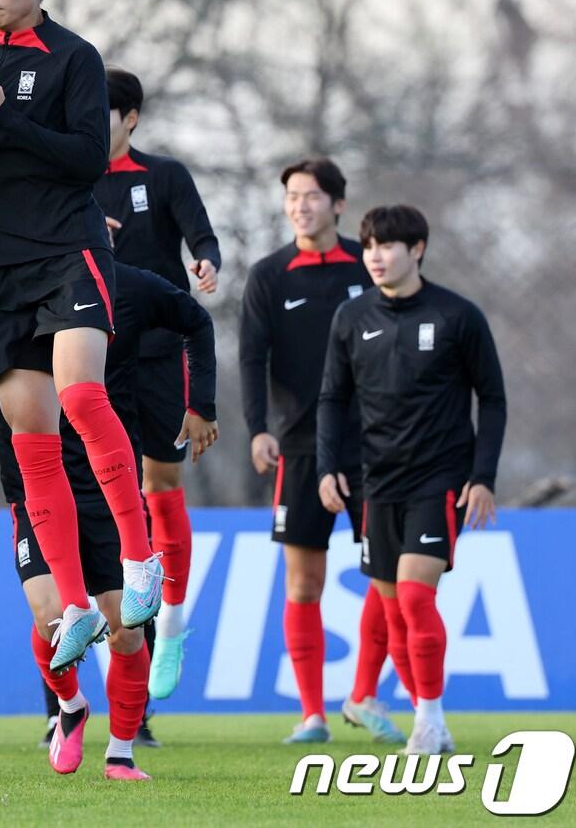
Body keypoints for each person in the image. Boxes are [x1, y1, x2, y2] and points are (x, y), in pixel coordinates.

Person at [0, 0, 160, 671]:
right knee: (32, 444)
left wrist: (8, 111)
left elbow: (84, 160)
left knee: (83, 399)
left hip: (68, 250)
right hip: (0, 270)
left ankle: (139, 559)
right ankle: (70, 606)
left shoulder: (75, 59)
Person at [0, 259, 218, 780]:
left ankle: (120, 752)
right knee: (51, 620)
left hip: (105, 487)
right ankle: (69, 707)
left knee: (127, 631)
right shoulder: (9, 302)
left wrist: (201, 404)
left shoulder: (130, 287)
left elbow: (197, 320)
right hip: (33, 489)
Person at [318, 204, 506, 754]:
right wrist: (330, 466)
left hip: (440, 479)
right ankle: (431, 719)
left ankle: (430, 720)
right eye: (368, 245)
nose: (374, 255)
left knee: (417, 600)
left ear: (416, 249)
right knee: (394, 607)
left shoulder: (457, 316)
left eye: (387, 245)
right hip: (377, 482)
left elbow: (491, 398)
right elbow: (332, 397)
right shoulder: (351, 319)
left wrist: (484, 476)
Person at [240, 158, 400, 744]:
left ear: (338, 204)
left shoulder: (370, 269)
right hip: (301, 449)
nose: (300, 205)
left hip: (374, 449)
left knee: (385, 575)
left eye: (311, 196)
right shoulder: (269, 275)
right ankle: (313, 715)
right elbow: (252, 359)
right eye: (292, 197)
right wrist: (259, 428)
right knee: (303, 584)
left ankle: (361, 693)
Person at [96, 67, 221, 694]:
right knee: (99, 483)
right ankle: (109, 618)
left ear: (131, 118)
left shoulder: (163, 176)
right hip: (94, 352)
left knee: (159, 480)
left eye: (106, 112)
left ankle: (170, 622)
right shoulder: (72, 180)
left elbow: (201, 233)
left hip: (161, 350)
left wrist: (206, 260)